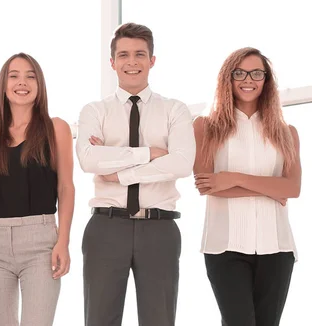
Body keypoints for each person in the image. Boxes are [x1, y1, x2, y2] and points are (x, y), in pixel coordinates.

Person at [76, 22, 196, 326]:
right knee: (99, 319)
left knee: (160, 320)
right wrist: (150, 153)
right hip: (106, 227)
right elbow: (89, 160)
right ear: (112, 62)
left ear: (152, 60)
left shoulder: (175, 110)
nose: (132, 62)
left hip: (160, 229)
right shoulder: (94, 111)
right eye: (124, 55)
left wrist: (120, 173)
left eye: (140, 54)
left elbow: (182, 164)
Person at [193, 47, 301, 326]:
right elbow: (207, 185)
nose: (247, 79)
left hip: (277, 248)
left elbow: (292, 188)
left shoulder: (287, 133)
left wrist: (233, 178)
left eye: (256, 73)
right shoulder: (205, 127)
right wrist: (270, 189)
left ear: (267, 80)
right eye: (239, 72)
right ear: (227, 78)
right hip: (224, 248)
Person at [0, 52, 75, 326]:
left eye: (30, 76)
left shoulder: (56, 129)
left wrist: (63, 240)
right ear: (3, 86)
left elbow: (66, 187)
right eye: (14, 76)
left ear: (39, 85)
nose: (22, 82)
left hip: (41, 241)